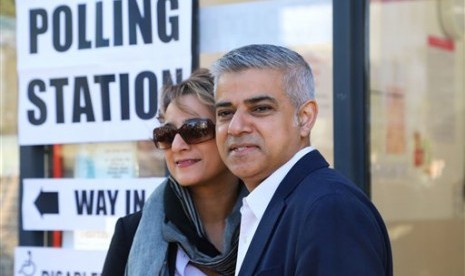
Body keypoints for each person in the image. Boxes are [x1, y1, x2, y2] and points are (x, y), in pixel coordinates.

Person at [211, 44, 393, 276]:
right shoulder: (272, 204)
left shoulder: (329, 208)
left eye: (260, 109)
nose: (236, 127)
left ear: (305, 118)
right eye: (225, 113)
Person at [101, 68, 247, 276]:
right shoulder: (131, 231)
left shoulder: (272, 220)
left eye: (195, 129)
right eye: (167, 134)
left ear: (228, 131)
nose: (178, 145)